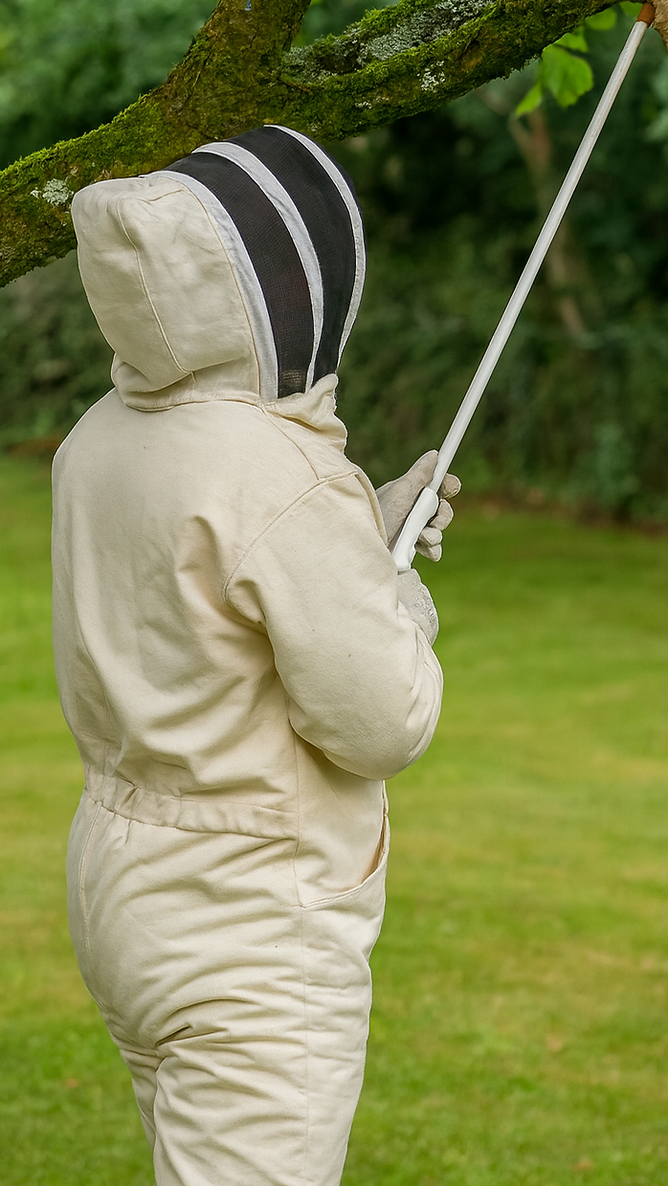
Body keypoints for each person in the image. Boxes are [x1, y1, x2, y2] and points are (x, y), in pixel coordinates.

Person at [50, 125, 459, 1186]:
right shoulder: (277, 473)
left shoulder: (97, 438)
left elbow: (203, 610)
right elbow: (381, 721)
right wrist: (396, 595)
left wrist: (359, 532)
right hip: (250, 921)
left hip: (123, 883)